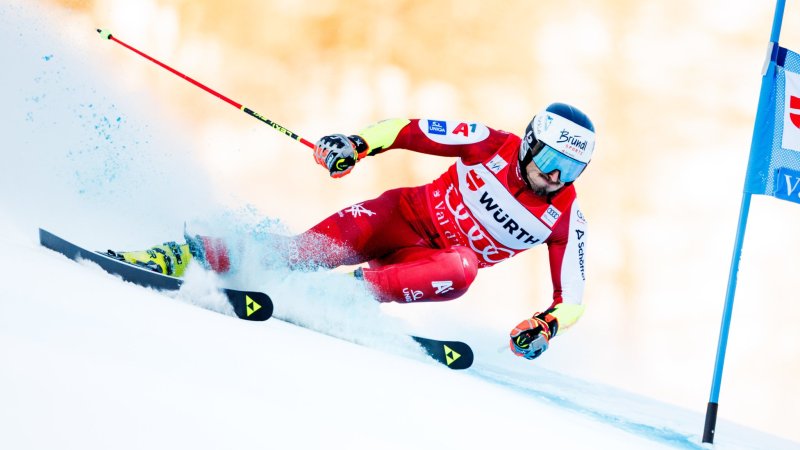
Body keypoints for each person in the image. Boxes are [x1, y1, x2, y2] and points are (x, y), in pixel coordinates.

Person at [112, 102, 594, 361]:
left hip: (426, 267)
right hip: (396, 217)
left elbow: (571, 298)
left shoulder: (565, 215)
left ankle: (336, 294)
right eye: (550, 161)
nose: (555, 178)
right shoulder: (491, 144)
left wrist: (545, 326)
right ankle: (186, 254)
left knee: (464, 266)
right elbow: (408, 129)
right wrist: (355, 144)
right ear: (531, 143)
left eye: (570, 170)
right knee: (298, 253)